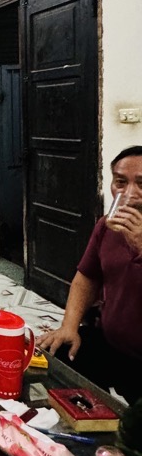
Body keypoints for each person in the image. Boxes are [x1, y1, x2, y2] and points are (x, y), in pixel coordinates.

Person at [38, 146, 142, 405]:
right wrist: (69, 326)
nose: (130, 194)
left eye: (141, 184)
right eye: (121, 182)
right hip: (112, 342)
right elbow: (87, 276)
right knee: (57, 353)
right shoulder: (107, 227)